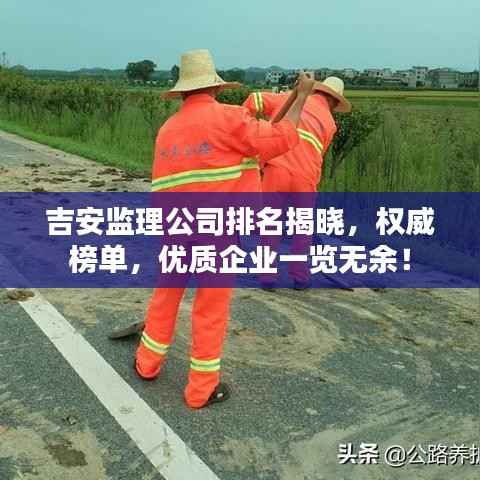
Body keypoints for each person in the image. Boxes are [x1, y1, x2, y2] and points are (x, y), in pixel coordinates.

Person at [134, 49, 315, 409]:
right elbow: (282, 137)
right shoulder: (230, 118)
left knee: (166, 294)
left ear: (183, 91)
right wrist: (302, 97)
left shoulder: (167, 130)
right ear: (216, 87)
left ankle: (147, 363)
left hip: (175, 228)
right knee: (210, 307)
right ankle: (201, 389)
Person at [243, 77, 352, 290]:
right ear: (335, 101)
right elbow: (318, 155)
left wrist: (250, 127)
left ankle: (267, 277)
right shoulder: (330, 123)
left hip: (277, 168)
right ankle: (300, 277)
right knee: (302, 228)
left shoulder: (290, 99)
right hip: (306, 177)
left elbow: (254, 100)